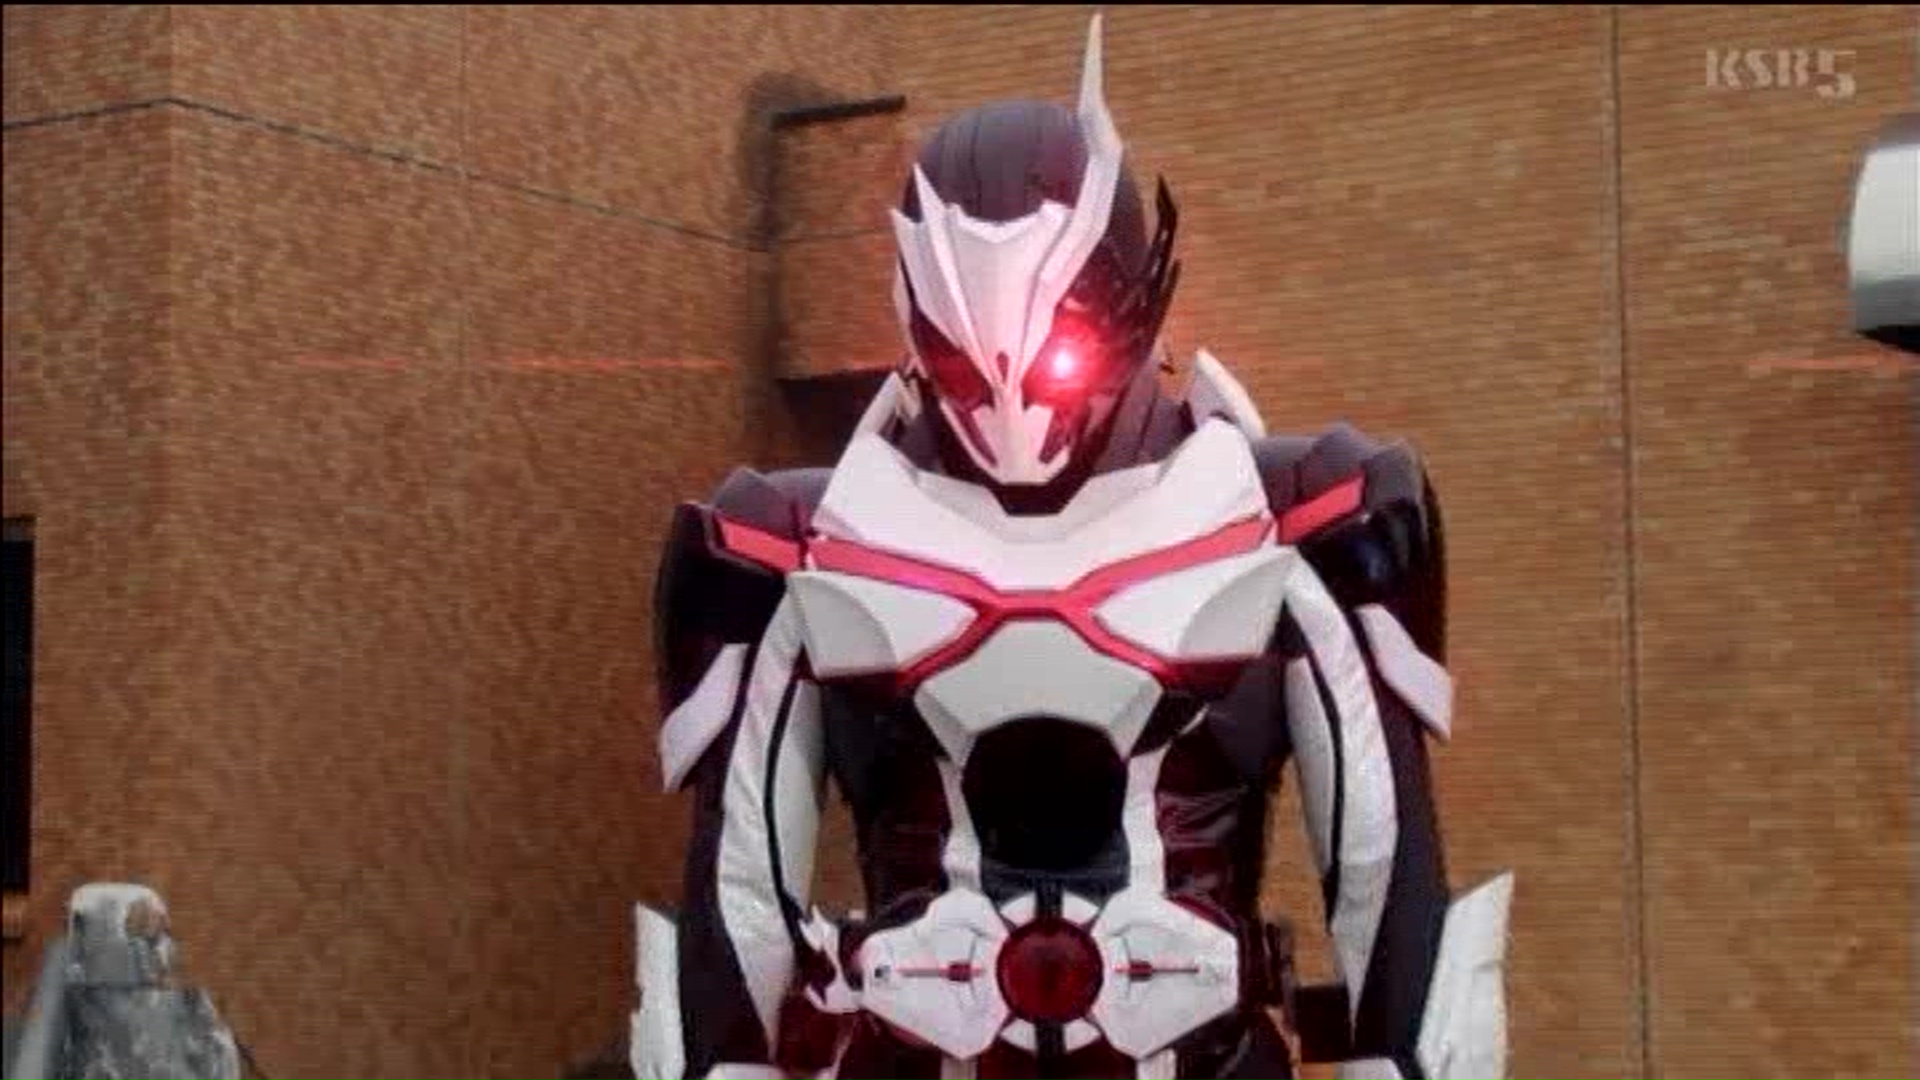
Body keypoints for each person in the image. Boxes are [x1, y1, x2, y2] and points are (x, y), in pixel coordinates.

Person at [633, 17, 1512, 1080]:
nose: (1010, 398)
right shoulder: (793, 542)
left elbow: (1384, 875)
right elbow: (736, 904)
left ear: (1129, 285)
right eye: (965, 361)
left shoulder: (1299, 512)